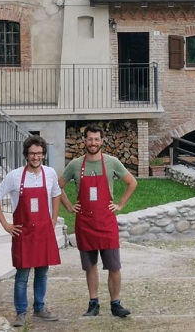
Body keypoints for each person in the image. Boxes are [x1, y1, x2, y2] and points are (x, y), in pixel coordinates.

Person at [58, 124, 138, 318]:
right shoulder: (76, 165)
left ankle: (115, 304)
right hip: (85, 223)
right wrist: (69, 206)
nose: (93, 143)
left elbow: (132, 182)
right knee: (90, 266)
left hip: (106, 222)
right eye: (90, 139)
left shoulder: (112, 162)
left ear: (102, 141)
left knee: (114, 266)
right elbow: (57, 186)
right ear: (84, 141)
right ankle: (93, 304)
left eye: (96, 139)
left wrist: (120, 205)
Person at [0, 135, 62, 327]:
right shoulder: (14, 176)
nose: (35, 157)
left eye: (39, 153)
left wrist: (54, 219)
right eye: (32, 153)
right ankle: (21, 312)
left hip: (44, 232)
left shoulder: (50, 174)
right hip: (24, 233)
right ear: (26, 155)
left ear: (44, 155)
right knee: (22, 276)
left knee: (42, 272)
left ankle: (40, 307)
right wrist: (6, 224)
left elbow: (56, 194)